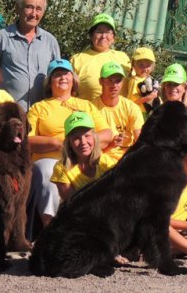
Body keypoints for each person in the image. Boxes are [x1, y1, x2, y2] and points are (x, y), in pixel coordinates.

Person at [27, 59, 111, 226]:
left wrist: (81, 144)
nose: (62, 77)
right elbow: (27, 140)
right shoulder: (39, 107)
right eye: (56, 74)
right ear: (49, 82)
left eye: (66, 73)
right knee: (48, 171)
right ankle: (49, 228)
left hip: (84, 158)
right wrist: (56, 143)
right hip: (51, 159)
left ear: (74, 79)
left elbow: (107, 134)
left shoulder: (85, 105)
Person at [0, 0, 61, 110]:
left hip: (41, 113)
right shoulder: (1, 38)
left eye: (38, 9)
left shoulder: (50, 41)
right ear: (18, 9)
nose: (33, 14)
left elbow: (57, 76)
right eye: (29, 7)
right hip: (8, 112)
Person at [50, 112, 114, 203]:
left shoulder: (105, 161)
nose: (83, 142)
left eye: (87, 136)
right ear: (69, 143)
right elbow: (72, 204)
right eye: (76, 138)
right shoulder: (61, 168)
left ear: (94, 137)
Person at [70, 13, 130, 103]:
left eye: (108, 32)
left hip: (118, 115)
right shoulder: (76, 59)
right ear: (91, 35)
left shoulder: (123, 58)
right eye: (99, 31)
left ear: (113, 37)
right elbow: (69, 92)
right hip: (88, 114)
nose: (103, 36)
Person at [94, 61, 144, 164]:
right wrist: (111, 146)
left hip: (127, 158)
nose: (114, 85)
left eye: (118, 81)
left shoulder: (131, 107)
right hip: (100, 157)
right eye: (110, 80)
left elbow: (140, 141)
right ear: (101, 82)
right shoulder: (91, 107)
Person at [122, 46, 159, 114]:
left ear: (152, 67)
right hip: (140, 113)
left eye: (148, 65)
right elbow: (132, 103)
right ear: (133, 65)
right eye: (141, 65)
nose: (145, 69)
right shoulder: (134, 81)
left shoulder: (151, 80)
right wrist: (148, 97)